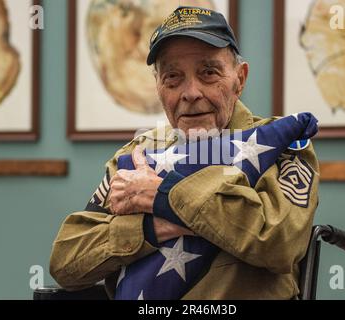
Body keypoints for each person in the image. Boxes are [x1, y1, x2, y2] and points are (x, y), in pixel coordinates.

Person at [50, 6, 319, 300]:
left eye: (208, 73)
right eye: (173, 77)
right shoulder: (139, 155)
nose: (190, 92)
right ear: (158, 87)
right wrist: (150, 228)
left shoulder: (280, 146)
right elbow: (66, 262)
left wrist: (165, 196)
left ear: (239, 79)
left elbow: (280, 243)